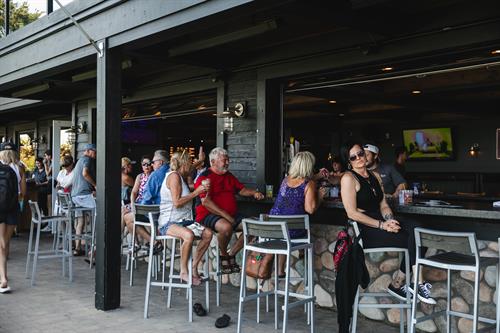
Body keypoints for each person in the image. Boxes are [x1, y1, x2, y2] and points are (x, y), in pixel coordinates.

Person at [340, 142, 435, 304]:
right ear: (349, 162)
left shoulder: (375, 176)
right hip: (367, 229)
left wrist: (390, 220)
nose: (359, 158)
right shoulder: (348, 178)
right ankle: (412, 284)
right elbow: (352, 213)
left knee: (420, 230)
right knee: (413, 238)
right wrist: (382, 225)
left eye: (360, 153)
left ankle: (403, 284)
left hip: (381, 221)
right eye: (353, 157)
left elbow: (383, 204)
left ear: (365, 153)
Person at [194, 147, 264, 274]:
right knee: (226, 227)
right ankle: (223, 254)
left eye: (228, 160)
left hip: (230, 214)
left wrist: (254, 192)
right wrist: (226, 215)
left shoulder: (229, 176)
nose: (227, 162)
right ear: (213, 161)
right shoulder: (205, 177)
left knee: (254, 226)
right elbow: (206, 202)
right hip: (207, 214)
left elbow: (241, 190)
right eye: (224, 160)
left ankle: (230, 255)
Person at [159, 151, 213, 285]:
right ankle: (184, 271)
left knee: (208, 234)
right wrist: (196, 192)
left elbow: (193, 168)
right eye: (190, 163)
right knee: (188, 235)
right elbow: (177, 202)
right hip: (169, 222)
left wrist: (198, 187)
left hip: (185, 221)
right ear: (183, 164)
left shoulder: (181, 177)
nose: (192, 167)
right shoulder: (174, 177)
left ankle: (193, 266)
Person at [269, 151, 327, 276]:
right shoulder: (309, 184)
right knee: (297, 231)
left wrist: (316, 177)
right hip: (293, 232)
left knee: (284, 232)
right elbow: (310, 209)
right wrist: (320, 197)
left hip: (275, 229)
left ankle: (280, 270)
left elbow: (299, 184)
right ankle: (302, 252)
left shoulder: (285, 180)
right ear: (308, 166)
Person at [0, 142, 23, 293]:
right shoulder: (19, 168)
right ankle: (3, 277)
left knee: (1, 245)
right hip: (13, 210)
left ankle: (4, 279)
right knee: (4, 243)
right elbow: (22, 193)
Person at [123, 155, 155, 248]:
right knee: (123, 210)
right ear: (141, 165)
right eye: (144, 164)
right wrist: (132, 203)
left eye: (148, 164)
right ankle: (132, 241)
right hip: (137, 203)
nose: (146, 166)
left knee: (125, 215)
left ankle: (123, 240)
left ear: (152, 165)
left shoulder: (154, 176)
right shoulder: (140, 176)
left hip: (146, 205)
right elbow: (134, 192)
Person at [71, 144, 96, 256]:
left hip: (75, 196)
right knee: (99, 215)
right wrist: (95, 185)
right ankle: (94, 248)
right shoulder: (87, 159)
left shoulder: (79, 160)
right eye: (95, 152)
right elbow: (85, 173)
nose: (96, 155)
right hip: (83, 195)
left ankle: (77, 248)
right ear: (89, 151)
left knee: (80, 222)